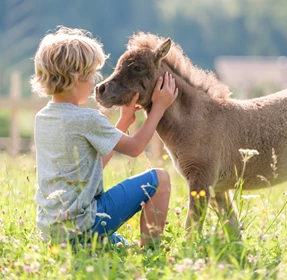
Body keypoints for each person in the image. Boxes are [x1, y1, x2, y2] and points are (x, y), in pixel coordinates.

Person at [30, 26, 178, 247]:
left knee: (118, 244)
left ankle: (96, 244)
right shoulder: (88, 119)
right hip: (84, 225)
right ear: (77, 77)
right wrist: (159, 107)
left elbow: (91, 167)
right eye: (92, 74)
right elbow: (136, 147)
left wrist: (124, 122)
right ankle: (150, 251)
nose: (94, 82)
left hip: (53, 233)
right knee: (160, 178)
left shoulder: (42, 118)